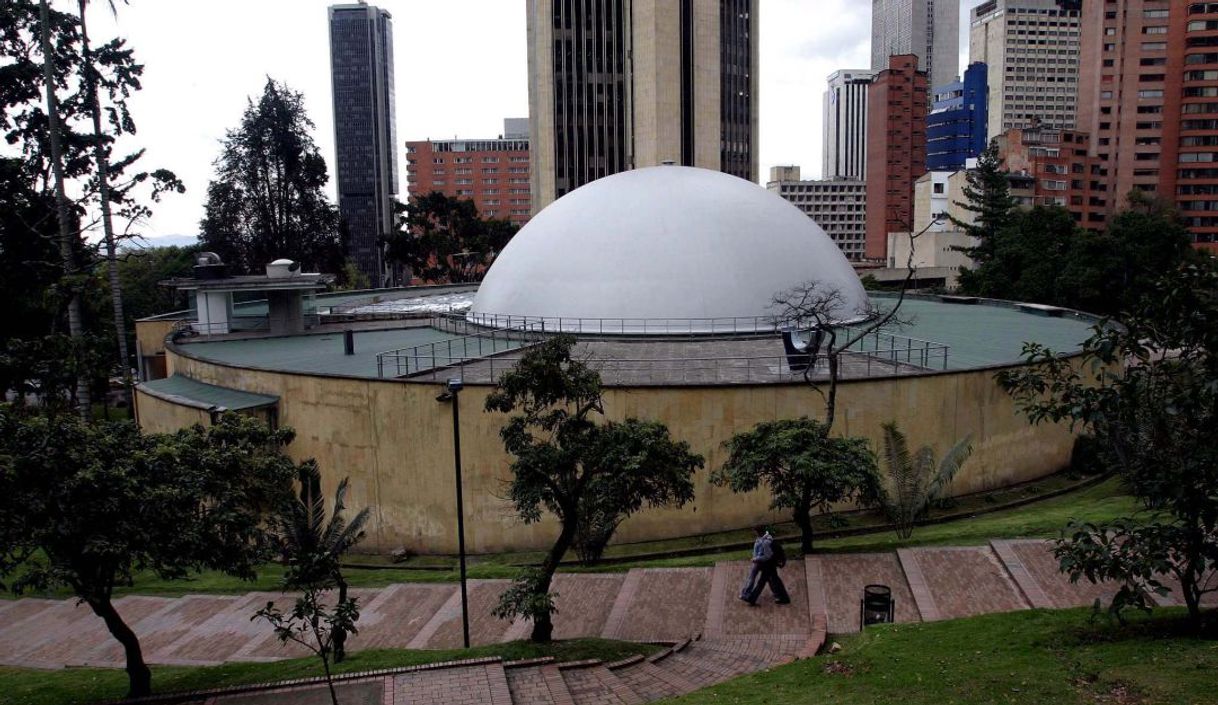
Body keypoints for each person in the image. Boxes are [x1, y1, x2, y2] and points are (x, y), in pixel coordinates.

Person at [743, 525, 790, 606]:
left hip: (769, 564)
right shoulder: (765, 538)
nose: (755, 534)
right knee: (773, 580)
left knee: (763, 581)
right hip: (769, 564)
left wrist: (757, 559)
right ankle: (781, 597)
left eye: (755, 532)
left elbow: (767, 555)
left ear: (759, 532)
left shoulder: (765, 542)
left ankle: (752, 599)